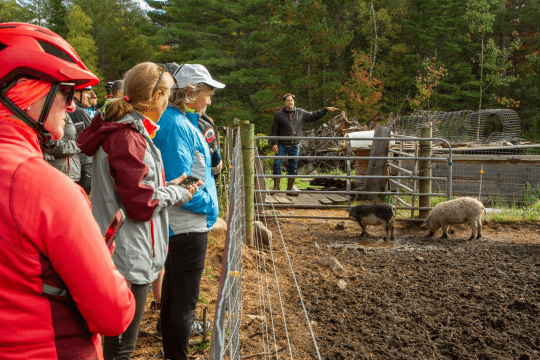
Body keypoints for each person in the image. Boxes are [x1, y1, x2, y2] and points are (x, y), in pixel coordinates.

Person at [0, 22, 135, 359]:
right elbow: (113, 315)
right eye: (65, 90)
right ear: (27, 91)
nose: (72, 106)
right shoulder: (45, 188)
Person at [77, 61, 198, 360]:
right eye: (167, 93)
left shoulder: (129, 133)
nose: (168, 100)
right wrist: (179, 192)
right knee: (121, 349)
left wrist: (169, 184)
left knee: (119, 345)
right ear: (156, 96)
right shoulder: (128, 137)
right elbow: (141, 204)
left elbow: (135, 187)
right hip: (128, 259)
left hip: (128, 252)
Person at [153, 63, 224, 360]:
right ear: (192, 93)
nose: (209, 100)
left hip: (183, 224)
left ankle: (171, 352)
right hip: (187, 225)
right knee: (184, 304)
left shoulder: (178, 121)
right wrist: (208, 204)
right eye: (207, 94)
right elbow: (179, 181)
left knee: (174, 296)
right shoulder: (177, 126)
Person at [270, 93, 339, 194]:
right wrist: (273, 143)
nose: (290, 102)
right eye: (288, 100)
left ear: (294, 101)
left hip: (295, 145)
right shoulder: (278, 114)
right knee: (277, 164)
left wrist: (325, 110)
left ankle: (289, 188)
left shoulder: (300, 112)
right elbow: (274, 130)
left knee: (293, 167)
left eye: (292, 100)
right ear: (284, 102)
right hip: (282, 145)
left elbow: (313, 116)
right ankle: (276, 187)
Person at [70, 85, 94, 194]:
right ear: (76, 94)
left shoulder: (67, 109)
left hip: (72, 164)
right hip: (85, 163)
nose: (88, 96)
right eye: (85, 92)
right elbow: (92, 137)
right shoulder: (80, 112)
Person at [44, 113, 81, 181]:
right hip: (59, 174)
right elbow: (54, 145)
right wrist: (79, 145)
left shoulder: (64, 113)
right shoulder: (53, 114)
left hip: (70, 173)